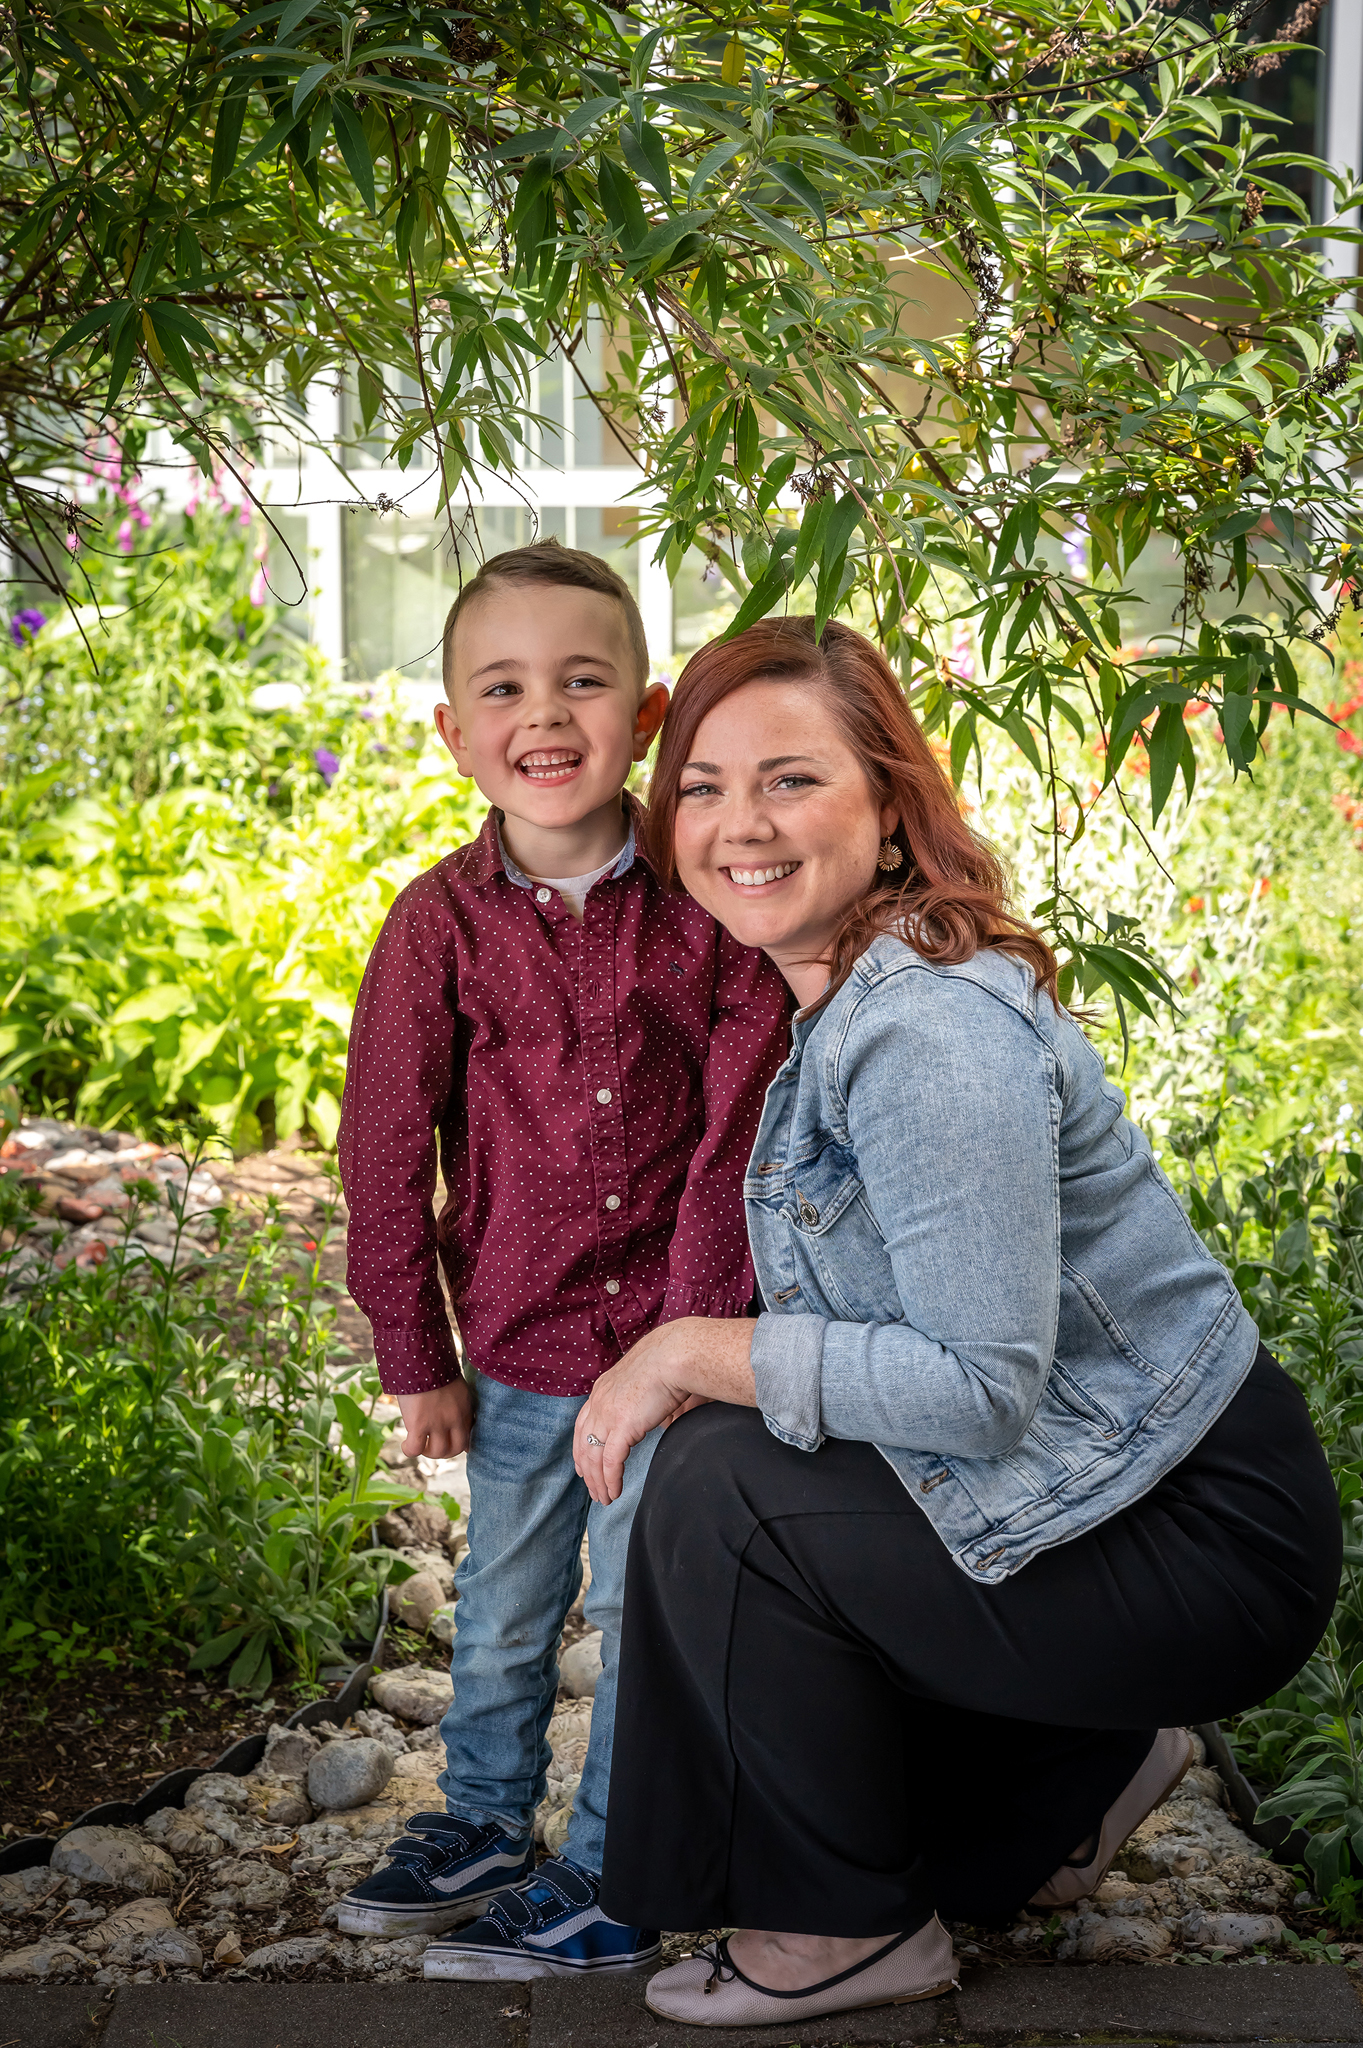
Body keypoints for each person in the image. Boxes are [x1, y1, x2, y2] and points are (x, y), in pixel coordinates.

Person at [573, 616, 1342, 2028]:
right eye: (702, 784)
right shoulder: (850, 988)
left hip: (1195, 1537)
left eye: (790, 781)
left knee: (719, 1493)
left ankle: (845, 1936)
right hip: (1107, 1489)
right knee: (940, 1828)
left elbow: (980, 1389)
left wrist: (684, 1351)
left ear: (891, 811)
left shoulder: (926, 1029)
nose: (740, 822)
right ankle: (1075, 1776)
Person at [334, 542, 790, 1981]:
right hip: (524, 1355)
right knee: (507, 1608)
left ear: (646, 715)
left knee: (649, 1616)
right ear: (454, 731)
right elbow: (384, 1142)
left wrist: (693, 1334)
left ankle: (615, 1857)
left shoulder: (705, 907)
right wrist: (418, 1356)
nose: (546, 715)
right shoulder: (437, 926)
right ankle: (478, 1820)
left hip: (669, 1354)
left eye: (583, 682)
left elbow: (740, 1125)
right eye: (505, 687)